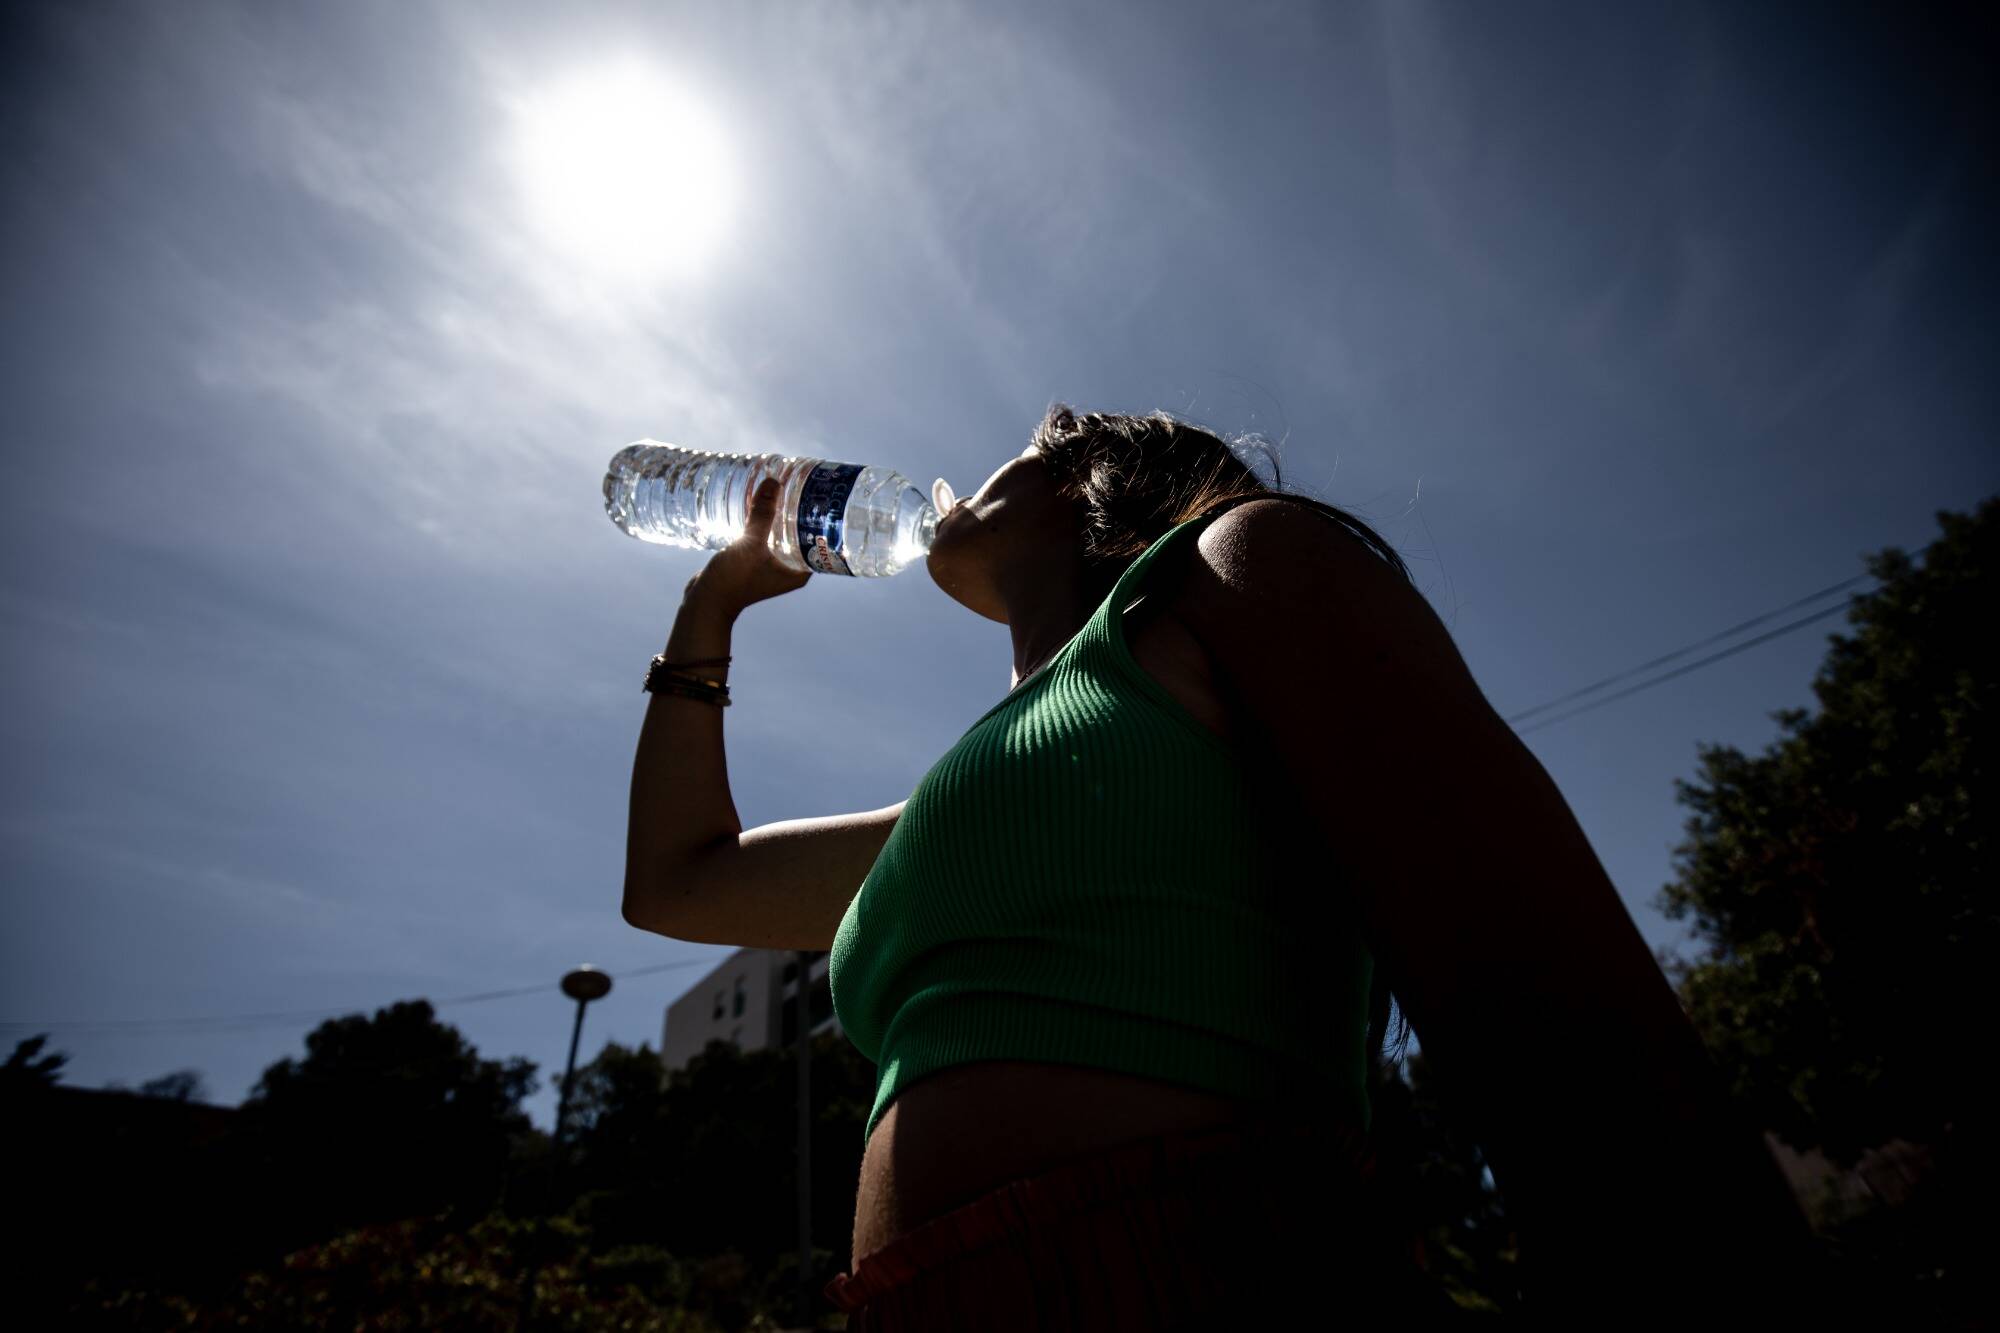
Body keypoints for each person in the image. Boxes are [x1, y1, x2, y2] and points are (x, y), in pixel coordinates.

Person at [622, 405, 1823, 1329]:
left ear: (1083, 475)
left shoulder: (1236, 566)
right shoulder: (968, 801)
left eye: (1016, 449)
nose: (966, 478)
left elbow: (1552, 1005)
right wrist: (710, 605)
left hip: (1199, 1262)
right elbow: (679, 883)